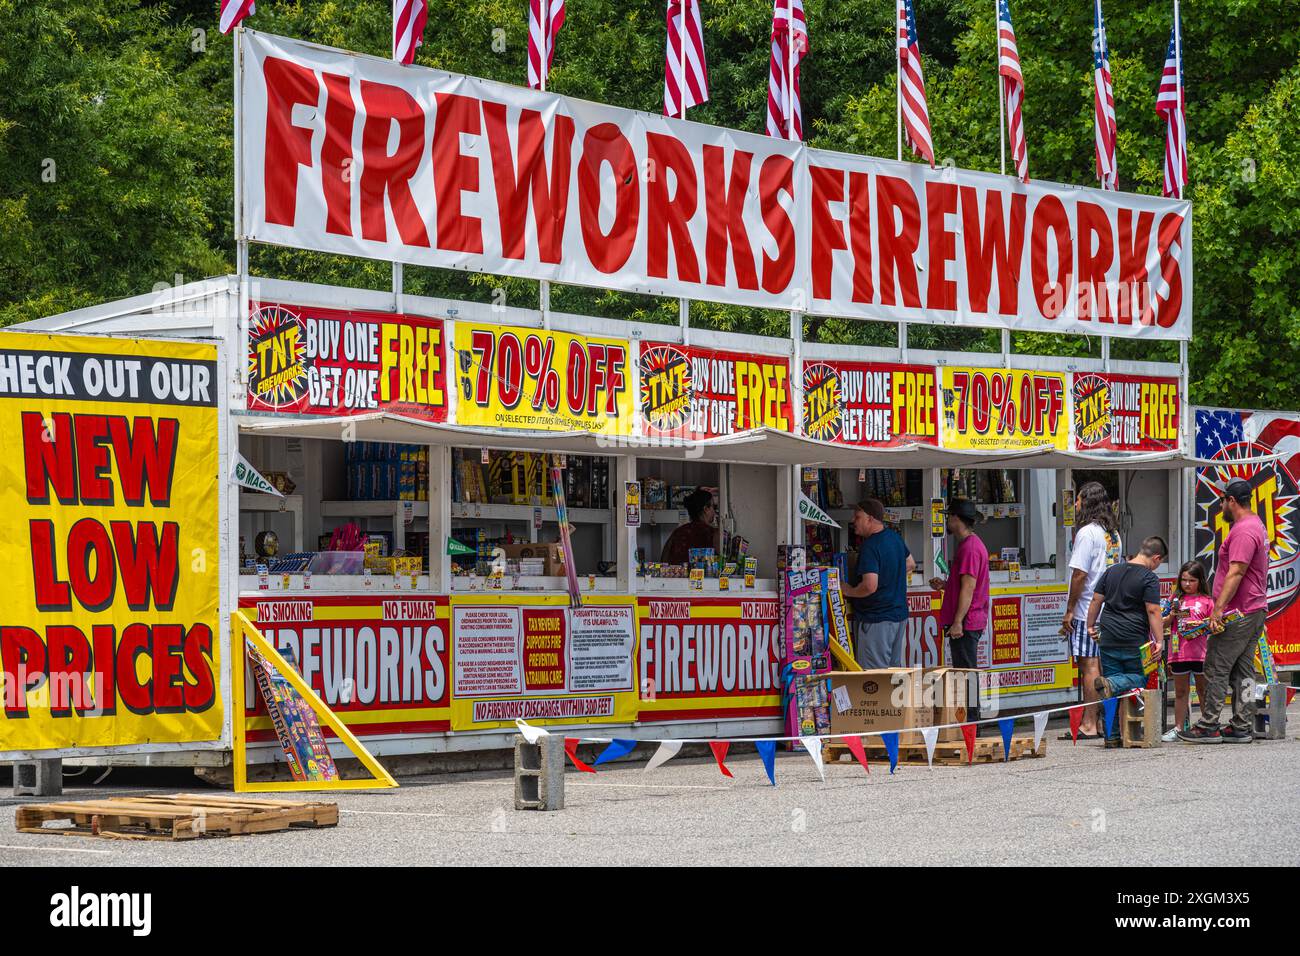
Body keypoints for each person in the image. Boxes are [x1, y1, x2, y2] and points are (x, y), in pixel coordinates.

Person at [1178, 478, 1270, 744]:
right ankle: (1241, 724)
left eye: (1222, 500)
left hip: (1238, 612)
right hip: (1253, 609)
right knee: (1243, 671)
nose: (1220, 506)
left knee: (1216, 665)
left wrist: (1217, 610)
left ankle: (1208, 725)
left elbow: (1237, 571)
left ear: (1231, 501)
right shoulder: (1256, 525)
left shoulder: (1243, 530)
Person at [1086, 536, 1167, 748]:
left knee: (1109, 691)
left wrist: (1090, 626)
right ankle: (1113, 684)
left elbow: (1096, 599)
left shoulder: (1112, 571)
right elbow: (1153, 610)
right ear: (1156, 558)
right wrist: (1159, 641)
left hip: (1108, 635)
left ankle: (1111, 737)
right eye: (1160, 562)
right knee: (1139, 680)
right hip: (1134, 638)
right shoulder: (1149, 578)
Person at [1059, 481, 1122, 740]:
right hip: (1109, 609)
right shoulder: (1113, 533)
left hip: (1088, 610)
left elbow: (1079, 575)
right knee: (1102, 666)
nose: (1075, 505)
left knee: (1089, 666)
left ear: (1087, 502)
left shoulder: (1087, 533)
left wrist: (1069, 610)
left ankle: (1088, 722)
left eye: (1079, 499)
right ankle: (1099, 723)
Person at [840, 498, 916, 669]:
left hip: (877, 620)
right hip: (898, 617)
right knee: (893, 672)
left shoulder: (871, 546)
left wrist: (849, 591)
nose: (853, 521)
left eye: (857, 517)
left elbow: (869, 586)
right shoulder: (895, 538)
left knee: (874, 677)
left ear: (870, 519)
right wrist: (889, 575)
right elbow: (910, 563)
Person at [928, 498, 990, 670]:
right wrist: (946, 585)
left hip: (966, 622)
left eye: (949, 517)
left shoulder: (969, 548)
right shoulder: (970, 544)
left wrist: (957, 622)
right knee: (964, 673)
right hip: (968, 621)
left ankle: (970, 699)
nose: (947, 521)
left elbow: (969, 588)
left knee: (965, 674)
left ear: (956, 518)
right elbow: (967, 585)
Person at [1161, 560, 1213, 742]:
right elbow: (1163, 623)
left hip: (1201, 653)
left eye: (1191, 580)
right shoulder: (1174, 599)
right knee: (1181, 692)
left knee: (1203, 690)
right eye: (1183, 580)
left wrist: (1202, 625)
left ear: (1200, 581)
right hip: (1179, 652)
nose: (1187, 584)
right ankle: (1178, 727)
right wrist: (1173, 614)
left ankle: (1208, 725)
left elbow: (1215, 626)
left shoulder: (1207, 601)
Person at [660, 489, 719, 565]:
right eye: (713, 507)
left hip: (676, 575)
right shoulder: (712, 533)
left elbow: (664, 560)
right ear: (706, 509)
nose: (714, 511)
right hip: (704, 576)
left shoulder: (678, 532)